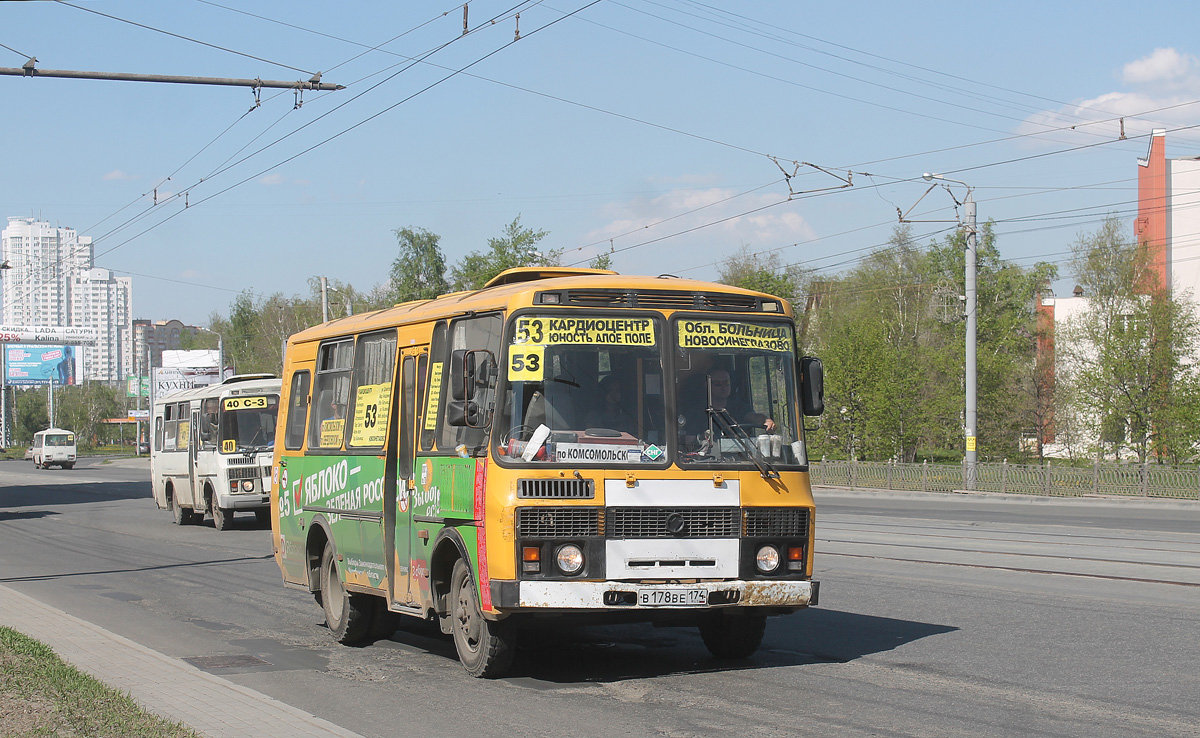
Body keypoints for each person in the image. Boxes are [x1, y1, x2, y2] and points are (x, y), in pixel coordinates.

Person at [680, 368, 774, 450]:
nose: (723, 387)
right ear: (707, 385)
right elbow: (689, 443)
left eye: (726, 382)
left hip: (742, 460)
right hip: (708, 463)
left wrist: (766, 420)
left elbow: (753, 417)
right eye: (718, 383)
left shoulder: (739, 407)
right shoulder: (696, 412)